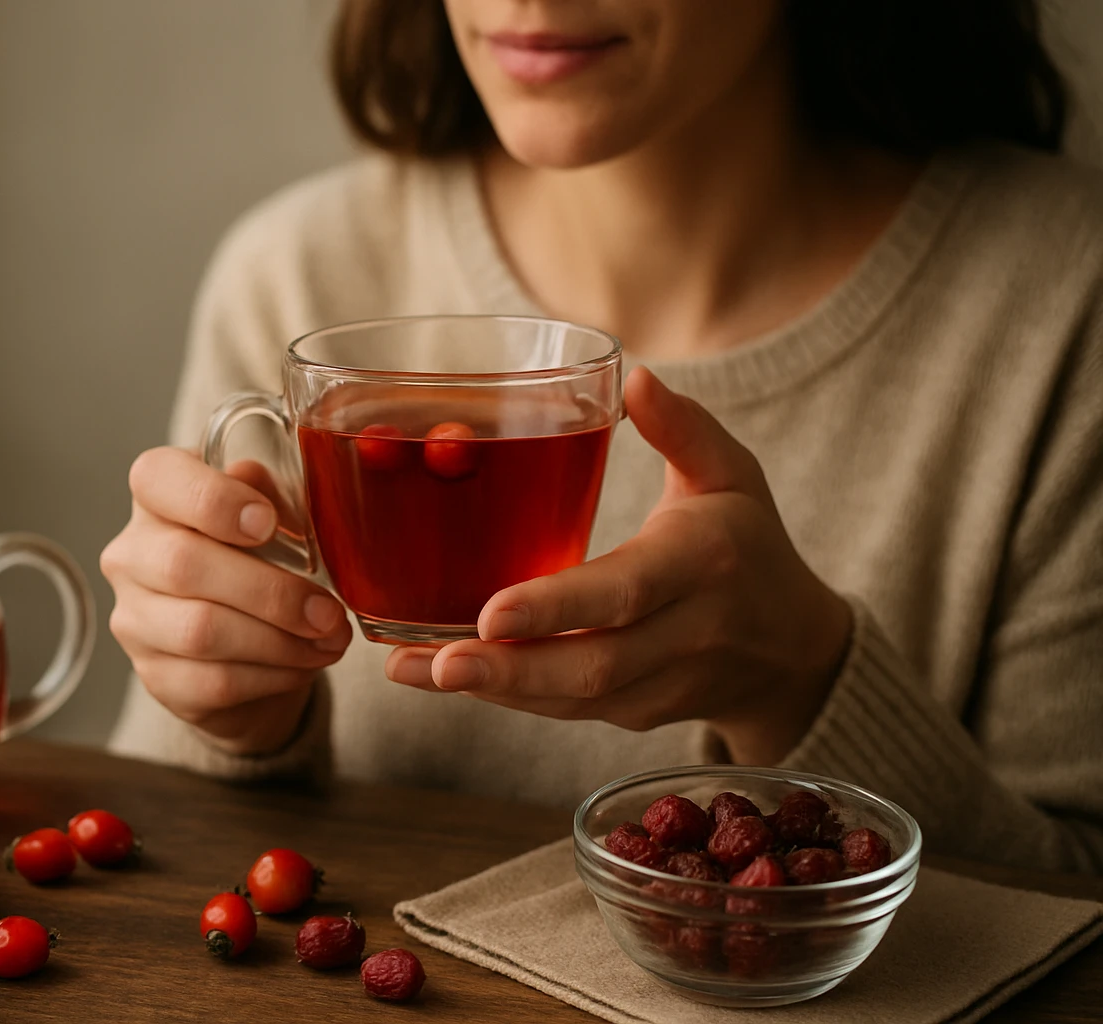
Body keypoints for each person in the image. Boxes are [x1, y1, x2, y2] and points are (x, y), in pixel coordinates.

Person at [104, 0, 1103, 873]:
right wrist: (239, 721)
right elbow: (149, 872)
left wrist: (804, 682)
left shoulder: (1065, 301)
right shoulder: (298, 278)